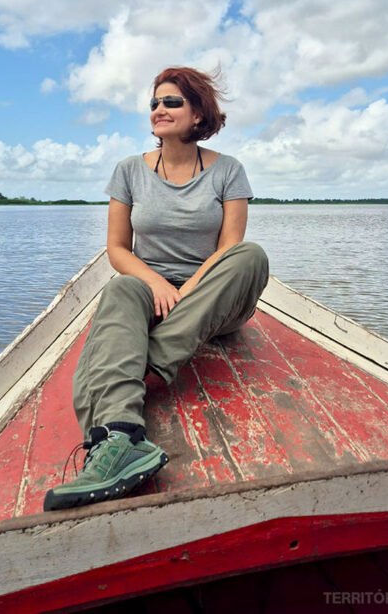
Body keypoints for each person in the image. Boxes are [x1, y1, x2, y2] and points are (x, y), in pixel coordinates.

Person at [44, 66, 269, 511]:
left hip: (213, 295)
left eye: (171, 102)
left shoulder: (229, 171)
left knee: (252, 256)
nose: (159, 110)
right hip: (154, 291)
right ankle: (121, 438)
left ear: (198, 113)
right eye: (154, 103)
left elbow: (229, 248)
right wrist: (156, 283)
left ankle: (137, 365)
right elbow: (116, 248)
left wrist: (189, 292)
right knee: (120, 292)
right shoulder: (129, 170)